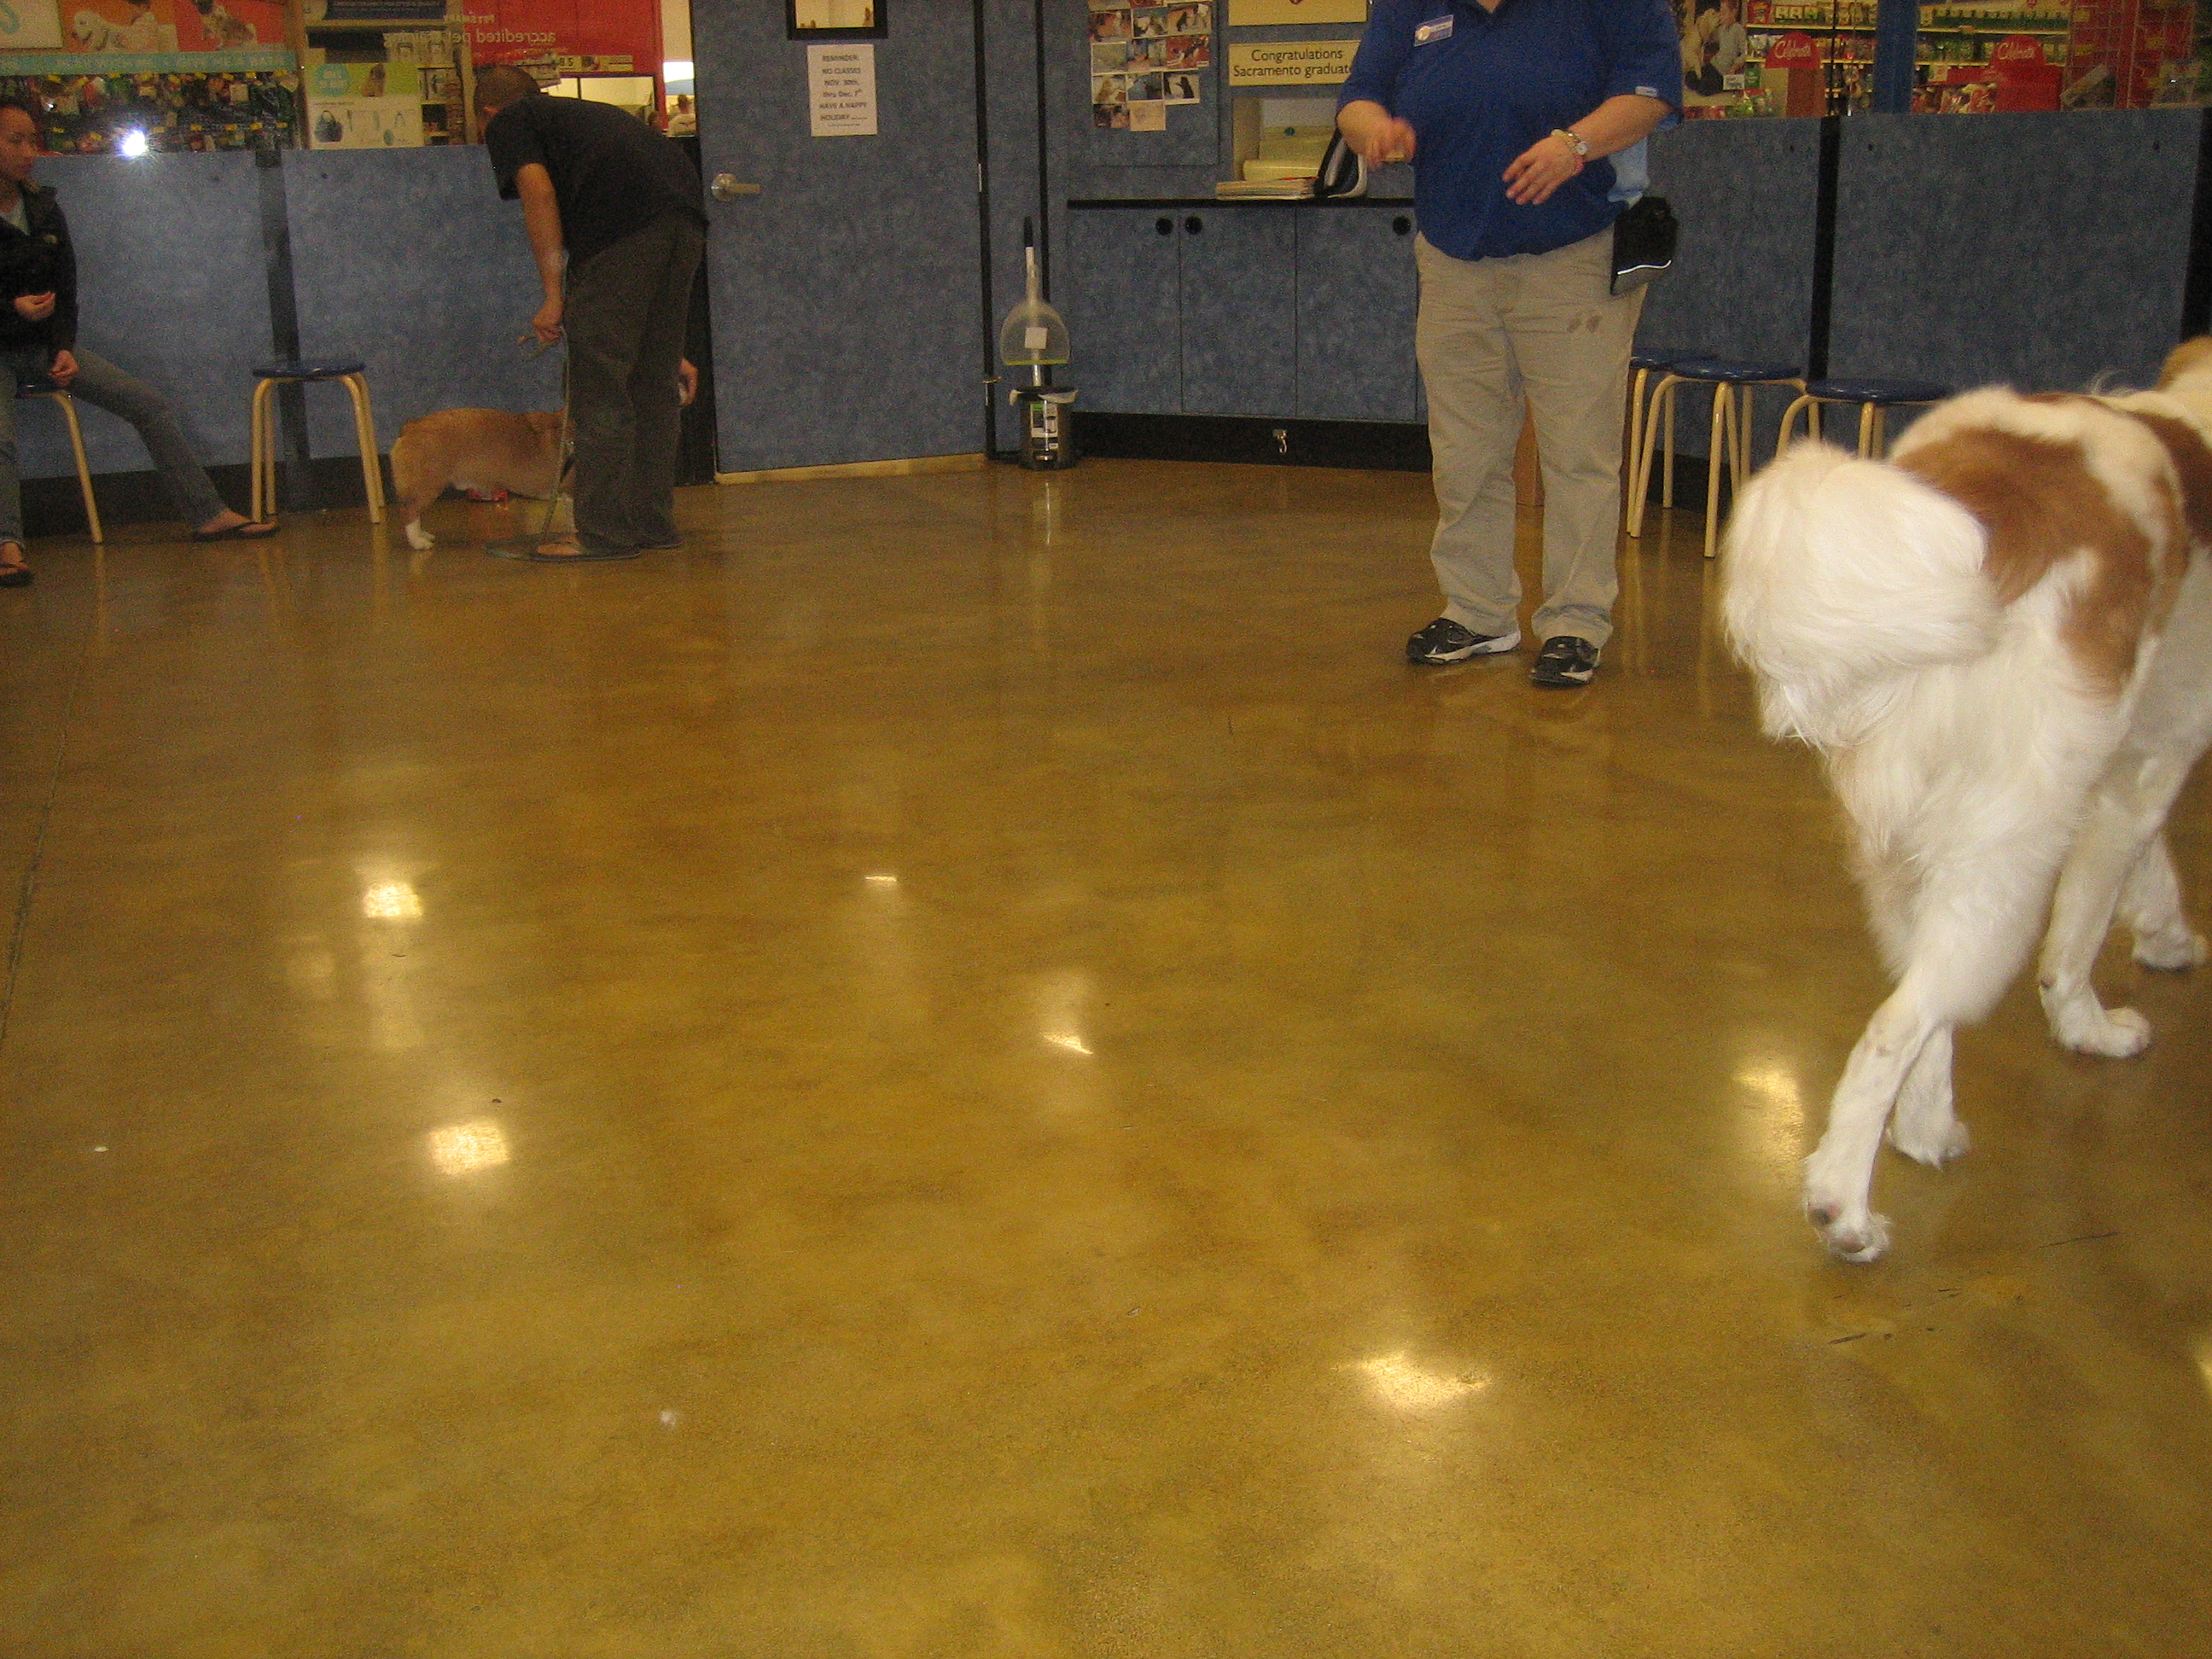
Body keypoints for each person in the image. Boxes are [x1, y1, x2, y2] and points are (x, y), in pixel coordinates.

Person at [1338, 0, 1681, 686]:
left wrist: (1573, 145)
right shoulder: (1410, 6)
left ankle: (1577, 622)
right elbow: (1358, 98)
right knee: (1464, 451)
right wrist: (1374, 129)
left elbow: (1650, 97)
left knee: (1578, 452)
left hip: (1572, 255)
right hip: (1453, 258)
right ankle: (1478, 609)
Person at [0, 96, 274, 589]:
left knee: (148, 405)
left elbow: (67, 289)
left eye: (32, 141)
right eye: (14, 141)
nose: (28, 152)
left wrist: (63, 347)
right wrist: (11, 310)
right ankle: (7, 544)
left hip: (44, 347)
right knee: (0, 439)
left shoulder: (43, 206)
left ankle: (207, 513)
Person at [474, 66, 706, 562]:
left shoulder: (511, 120)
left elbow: (538, 194)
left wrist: (552, 294)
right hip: (683, 225)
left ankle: (603, 533)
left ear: (488, 112)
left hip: (621, 237)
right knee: (652, 384)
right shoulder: (588, 117)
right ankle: (651, 524)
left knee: (600, 389)